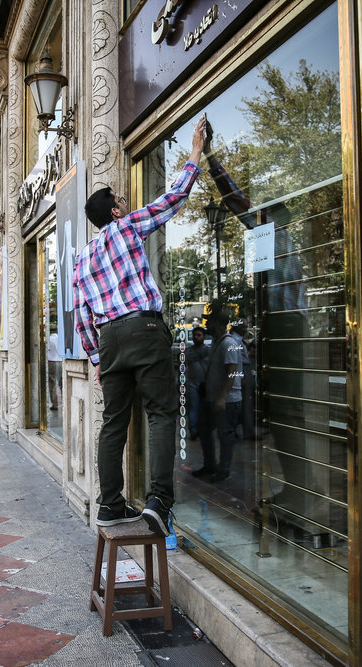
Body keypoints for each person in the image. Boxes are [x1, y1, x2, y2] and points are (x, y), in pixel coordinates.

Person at [73, 114, 208, 536]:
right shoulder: (126, 228)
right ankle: (157, 504)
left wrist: (97, 358)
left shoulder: (81, 259)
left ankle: (110, 506)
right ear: (114, 210)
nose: (126, 205)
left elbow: (81, 315)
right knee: (161, 413)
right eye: (121, 201)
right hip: (145, 330)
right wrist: (195, 152)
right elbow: (173, 198)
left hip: (109, 339)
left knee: (113, 422)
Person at [194, 309, 242, 482]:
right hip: (212, 398)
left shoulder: (228, 343)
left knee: (224, 435)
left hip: (226, 400)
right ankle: (210, 465)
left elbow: (232, 371)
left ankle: (224, 470)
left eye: (210, 321)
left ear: (219, 324)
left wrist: (223, 397)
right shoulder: (217, 342)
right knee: (205, 430)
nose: (206, 324)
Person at [183, 326, 210, 440]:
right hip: (192, 384)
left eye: (199, 335)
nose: (196, 337)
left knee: (204, 409)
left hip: (206, 384)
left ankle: (204, 429)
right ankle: (193, 430)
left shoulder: (209, 350)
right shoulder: (188, 351)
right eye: (194, 335)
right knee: (193, 408)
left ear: (204, 337)